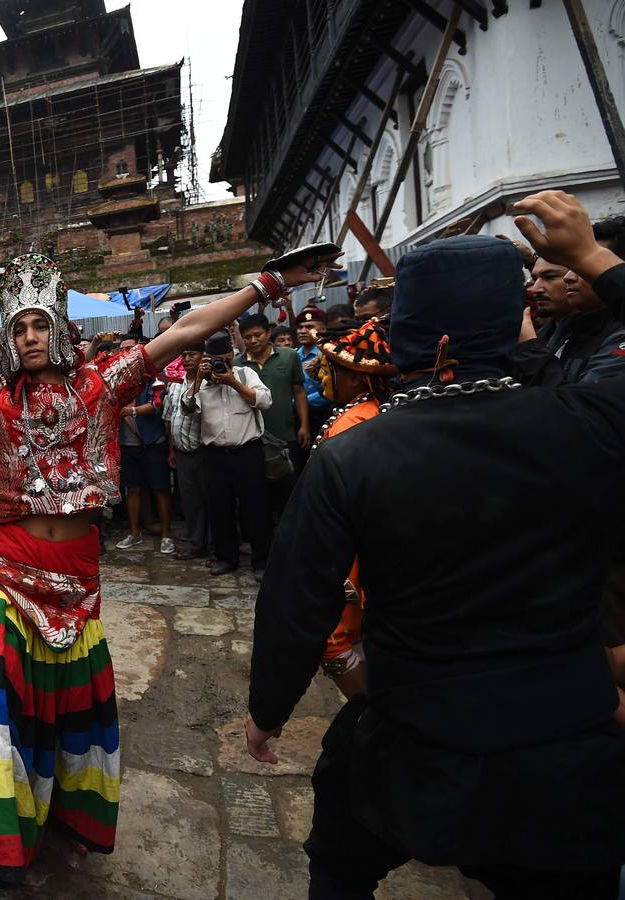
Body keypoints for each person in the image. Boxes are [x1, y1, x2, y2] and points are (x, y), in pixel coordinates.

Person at [0, 247, 339, 897]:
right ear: (5, 334)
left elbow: (186, 332)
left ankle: (47, 814)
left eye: (37, 324)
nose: (27, 337)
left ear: (57, 327)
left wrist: (269, 283)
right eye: (17, 326)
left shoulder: (104, 384)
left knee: (56, 712)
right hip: (5, 571)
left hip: (78, 581)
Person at [246, 192, 625, 899]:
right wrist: (595, 259)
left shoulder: (354, 455)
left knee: (338, 868)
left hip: (415, 736)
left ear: (424, 345)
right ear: (516, 328)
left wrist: (268, 711)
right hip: (567, 749)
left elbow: (297, 601)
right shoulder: (592, 421)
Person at [302, 316, 397, 698]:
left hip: (350, 556)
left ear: (356, 378)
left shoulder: (356, 421)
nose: (322, 375)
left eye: (331, 370)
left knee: (335, 642)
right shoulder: (364, 411)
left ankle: (374, 719)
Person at [188, 330, 273, 578]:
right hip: (214, 455)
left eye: (224, 359)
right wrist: (198, 379)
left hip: (247, 452)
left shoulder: (246, 374)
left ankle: (263, 561)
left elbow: (266, 401)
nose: (220, 364)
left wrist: (233, 382)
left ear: (232, 356)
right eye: (214, 359)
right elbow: (187, 409)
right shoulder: (201, 383)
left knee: (256, 509)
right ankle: (226, 557)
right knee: (219, 508)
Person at [512, 220, 625, 386]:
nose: (569, 277)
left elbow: (583, 406)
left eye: (584, 267)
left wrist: (530, 351)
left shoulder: (618, 337)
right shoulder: (565, 327)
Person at [237, 311, 307, 511]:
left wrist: (304, 425)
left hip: (285, 433)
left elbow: (299, 391)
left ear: (268, 332)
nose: (253, 340)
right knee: (260, 493)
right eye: (247, 337)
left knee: (290, 487)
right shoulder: (237, 365)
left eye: (257, 335)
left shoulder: (289, 356)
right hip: (253, 438)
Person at [116, 344, 174, 554]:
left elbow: (156, 405)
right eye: (122, 349)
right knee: (132, 490)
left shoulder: (154, 374)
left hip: (152, 442)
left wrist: (129, 411)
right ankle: (134, 533)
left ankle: (167, 535)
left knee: (160, 489)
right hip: (127, 444)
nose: (126, 353)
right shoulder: (116, 377)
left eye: (131, 348)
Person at [164, 347, 209, 559]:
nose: (187, 359)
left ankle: (209, 542)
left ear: (203, 357)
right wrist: (172, 449)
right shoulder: (176, 384)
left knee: (209, 499)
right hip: (182, 451)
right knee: (190, 501)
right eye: (184, 355)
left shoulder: (211, 384)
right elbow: (172, 418)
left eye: (193, 354)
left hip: (204, 451)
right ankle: (196, 540)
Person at [295, 305, 332, 440]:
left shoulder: (329, 355)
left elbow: (330, 389)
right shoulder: (293, 356)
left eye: (309, 327)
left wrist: (300, 401)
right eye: (300, 327)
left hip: (324, 417)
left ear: (323, 328)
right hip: (298, 419)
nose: (303, 331)